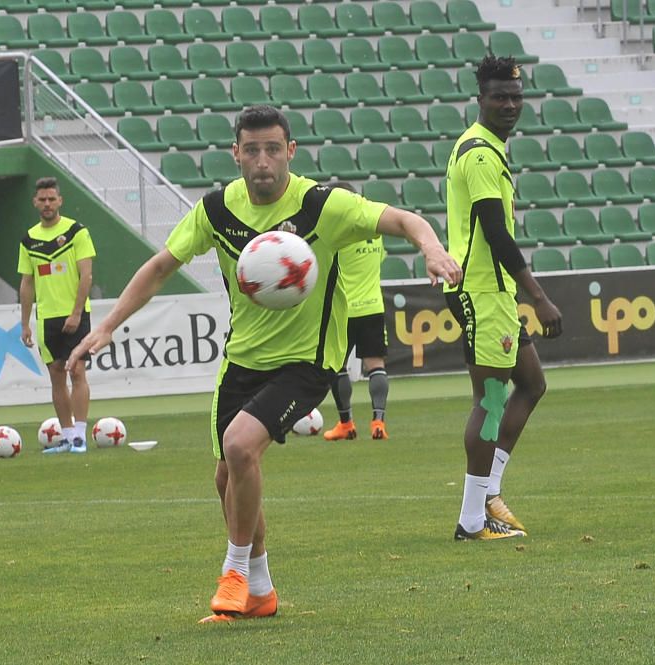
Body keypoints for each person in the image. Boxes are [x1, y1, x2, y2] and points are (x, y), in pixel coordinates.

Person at [66, 105, 462, 622]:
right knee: (226, 477)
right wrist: (106, 325)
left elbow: (403, 220)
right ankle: (261, 591)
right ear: (235, 154)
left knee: (239, 447)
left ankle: (232, 573)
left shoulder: (324, 205)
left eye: (273, 149)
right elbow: (162, 266)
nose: (262, 161)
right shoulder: (216, 210)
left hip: (307, 362)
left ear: (290, 152)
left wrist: (430, 248)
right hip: (242, 361)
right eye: (251, 150)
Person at [443, 56, 562, 541]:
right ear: (481, 99)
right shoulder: (478, 154)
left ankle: (489, 491)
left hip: (494, 293)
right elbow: (495, 232)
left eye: (515, 97)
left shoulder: (488, 148)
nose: (509, 104)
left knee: (531, 384)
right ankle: (473, 520)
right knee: (491, 401)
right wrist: (539, 297)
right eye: (499, 96)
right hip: (483, 292)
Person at [19, 176, 96, 454]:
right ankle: (66, 436)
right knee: (55, 375)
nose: (47, 203)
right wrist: (25, 322)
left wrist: (76, 313)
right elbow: (27, 283)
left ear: (60, 201)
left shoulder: (77, 232)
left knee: (76, 370)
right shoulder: (29, 239)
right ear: (35, 202)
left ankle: (80, 436)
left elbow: (86, 275)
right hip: (47, 317)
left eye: (52, 198)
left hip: (74, 315)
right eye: (43, 199)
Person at [322, 183, 391, 442]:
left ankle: (346, 423)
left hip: (343, 309)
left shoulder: (337, 230)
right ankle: (379, 422)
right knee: (376, 365)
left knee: (337, 367)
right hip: (373, 306)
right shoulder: (375, 229)